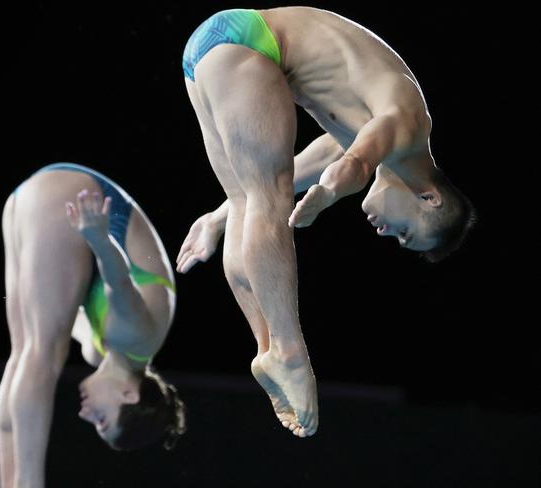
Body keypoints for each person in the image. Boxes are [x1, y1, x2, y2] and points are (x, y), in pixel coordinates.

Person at [178, 7, 476, 438]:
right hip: (251, 43)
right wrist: (329, 195)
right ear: (429, 197)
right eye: (405, 232)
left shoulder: (371, 126)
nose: (386, 233)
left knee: (245, 201)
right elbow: (353, 164)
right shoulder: (411, 126)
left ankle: (266, 347)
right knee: (268, 199)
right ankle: (291, 355)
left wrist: (216, 218)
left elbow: (313, 164)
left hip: (212, 51)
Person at [0, 163, 185, 488]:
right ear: (129, 393)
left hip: (36, 203)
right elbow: (118, 282)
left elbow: (59, 312)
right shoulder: (139, 336)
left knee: (25, 352)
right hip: (78, 200)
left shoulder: (101, 352)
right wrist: (100, 239)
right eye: (101, 418)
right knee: (42, 353)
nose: (85, 414)